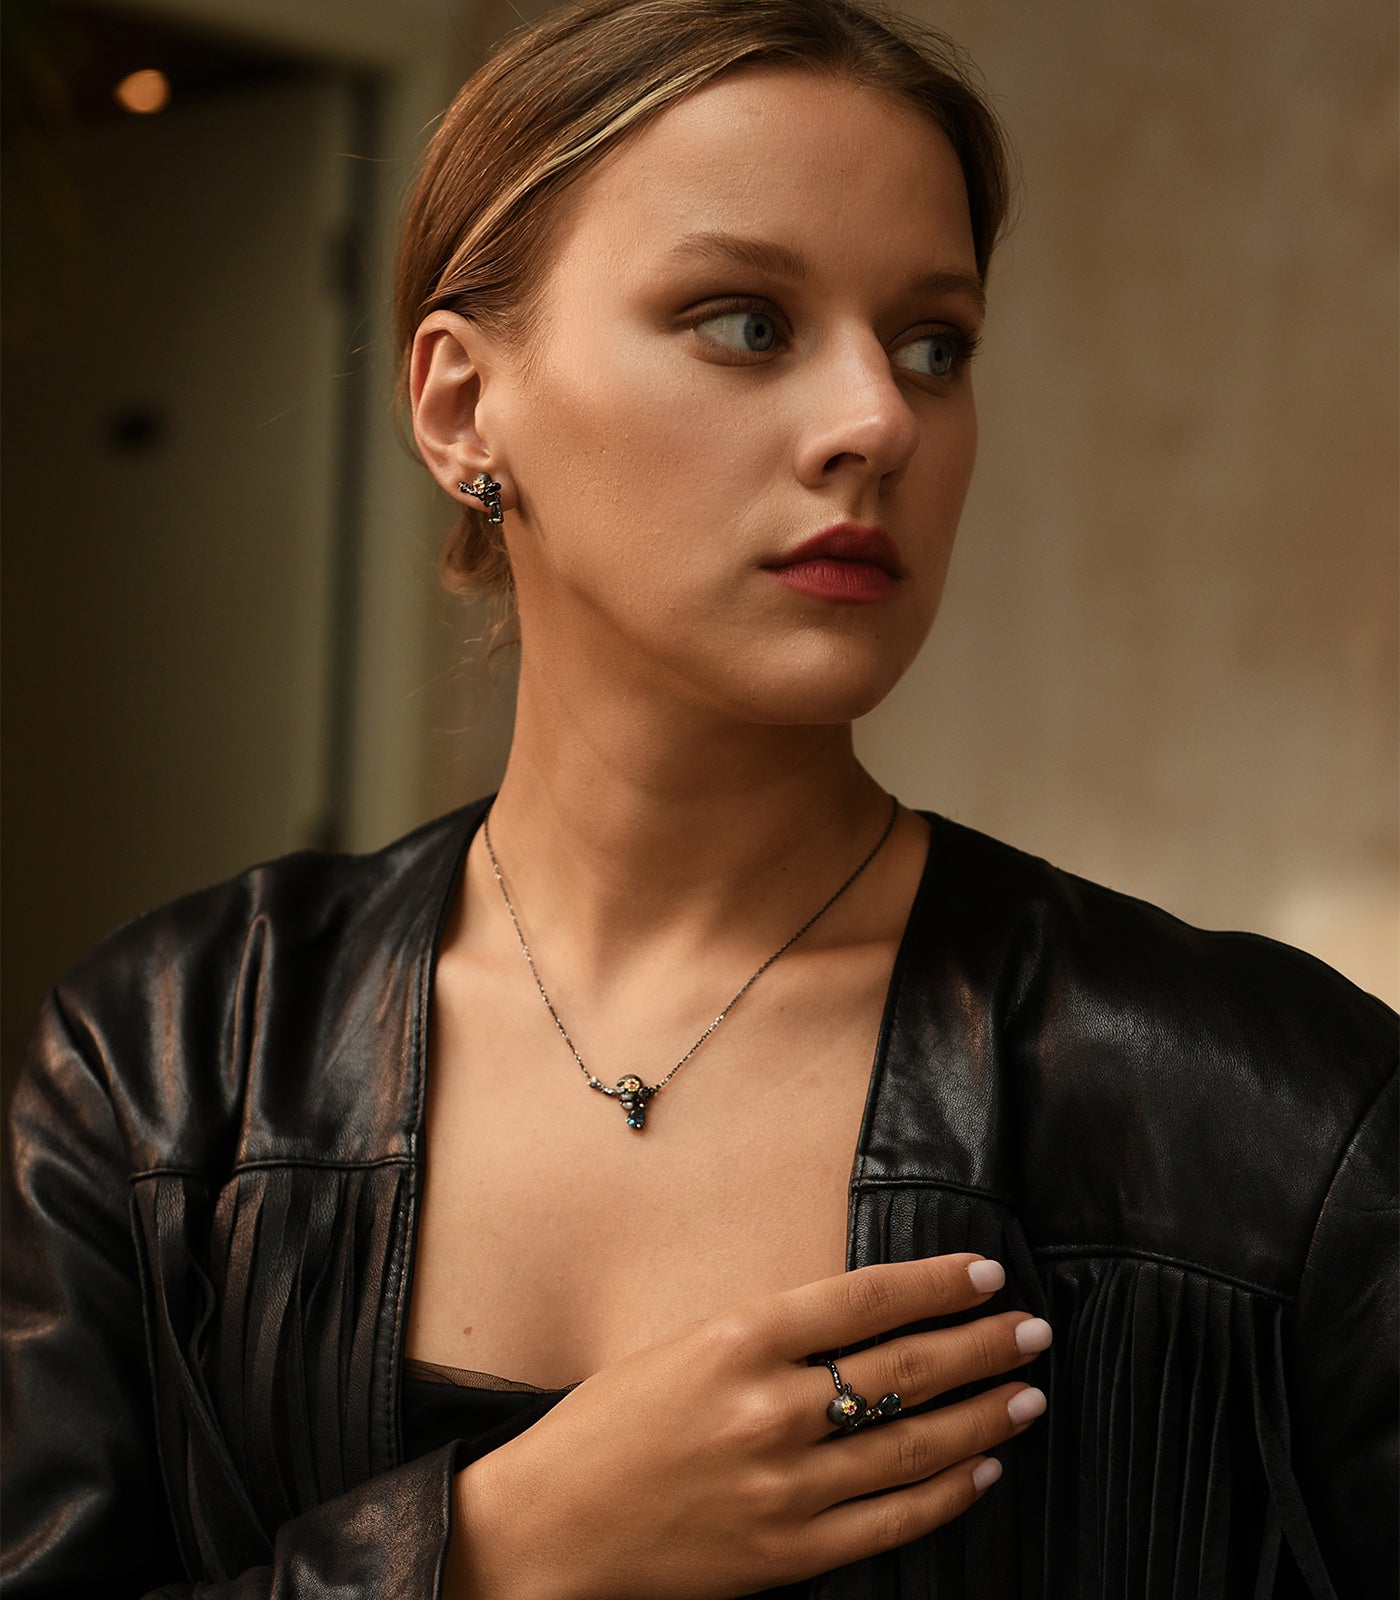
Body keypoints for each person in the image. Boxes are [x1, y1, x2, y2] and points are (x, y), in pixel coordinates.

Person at [2, 0, 1394, 1595]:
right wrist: (493, 1553)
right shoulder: (169, 1065)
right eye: (746, 321)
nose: (878, 419)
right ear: (464, 408)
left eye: (934, 343)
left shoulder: (1271, 1117)